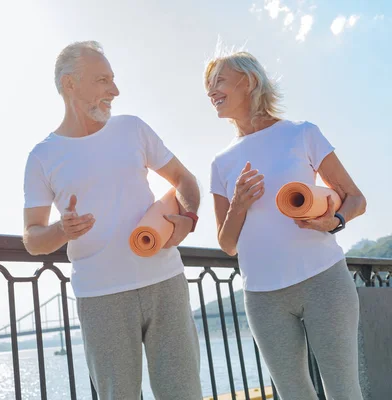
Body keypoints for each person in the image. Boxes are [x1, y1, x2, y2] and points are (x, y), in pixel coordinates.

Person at [22, 41, 203, 399]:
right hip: (100, 297)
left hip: (165, 281)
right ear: (70, 83)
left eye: (113, 80)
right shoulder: (42, 157)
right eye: (103, 80)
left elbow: (184, 180)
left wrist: (189, 217)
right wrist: (62, 230)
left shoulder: (132, 128)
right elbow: (31, 238)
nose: (115, 91)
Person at [205, 50, 367, 400]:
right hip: (263, 297)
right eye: (208, 84)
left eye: (218, 80)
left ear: (247, 81)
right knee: (293, 394)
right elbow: (227, 243)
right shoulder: (221, 163)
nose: (210, 90)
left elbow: (355, 198)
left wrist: (334, 220)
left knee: (343, 391)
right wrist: (239, 204)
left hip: (324, 281)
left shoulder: (302, 134)